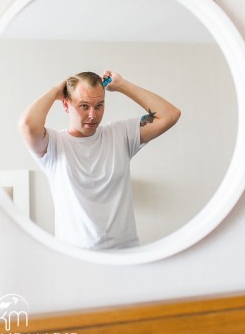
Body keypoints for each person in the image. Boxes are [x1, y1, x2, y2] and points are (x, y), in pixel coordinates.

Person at [18, 70, 181, 250]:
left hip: (126, 254)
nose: (92, 115)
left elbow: (170, 115)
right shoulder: (53, 144)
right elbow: (27, 124)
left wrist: (122, 85)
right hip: (77, 260)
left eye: (99, 105)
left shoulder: (121, 134)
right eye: (84, 106)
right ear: (66, 105)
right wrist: (56, 90)